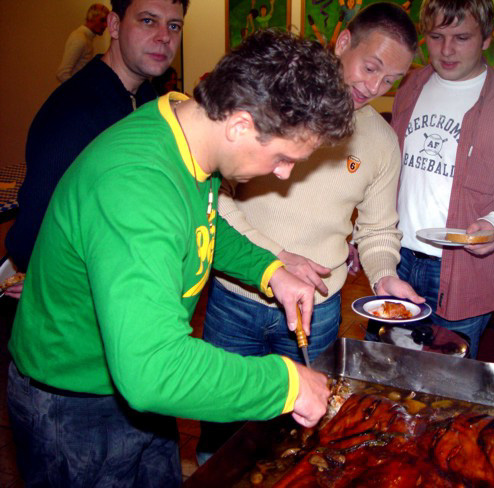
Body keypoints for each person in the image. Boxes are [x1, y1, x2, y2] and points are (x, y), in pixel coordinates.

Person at [7, 29, 354, 486]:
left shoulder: (184, 131)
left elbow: (200, 224)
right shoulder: (136, 185)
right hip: (75, 406)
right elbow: (153, 370)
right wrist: (287, 384)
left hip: (131, 393)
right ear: (240, 125)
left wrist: (270, 271)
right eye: (283, 157)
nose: (284, 174)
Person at [196, 2, 422, 463]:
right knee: (221, 432)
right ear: (343, 42)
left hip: (316, 308)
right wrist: (276, 260)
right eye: (371, 67)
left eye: (390, 80)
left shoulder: (381, 142)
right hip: (237, 297)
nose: (374, 87)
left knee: (298, 437)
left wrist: (385, 277)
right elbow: (217, 199)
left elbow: (378, 228)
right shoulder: (274, 104)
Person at [388, 0, 494, 358]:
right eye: (437, 37)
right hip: (397, 259)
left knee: (447, 377)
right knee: (389, 366)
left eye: (461, 38)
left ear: (487, 38)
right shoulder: (411, 85)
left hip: (463, 270)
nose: (446, 50)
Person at [6, 0, 187, 284]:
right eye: (148, 21)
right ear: (114, 25)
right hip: (81, 291)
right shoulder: (73, 110)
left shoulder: (149, 101)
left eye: (174, 25)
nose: (164, 36)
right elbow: (32, 234)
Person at [56, 3, 109, 82]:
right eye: (102, 20)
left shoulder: (84, 38)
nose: (106, 25)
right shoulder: (80, 39)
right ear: (91, 18)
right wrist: (81, 88)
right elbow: (62, 73)